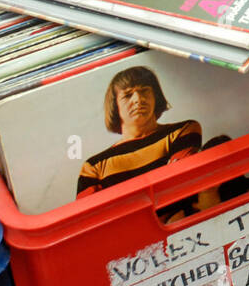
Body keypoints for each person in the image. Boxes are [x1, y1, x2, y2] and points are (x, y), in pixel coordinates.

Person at [76, 67, 201, 197]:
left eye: (144, 91)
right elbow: (93, 215)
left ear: (155, 97)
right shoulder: (93, 167)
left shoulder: (183, 131)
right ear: (115, 106)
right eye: (127, 95)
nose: (138, 99)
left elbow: (181, 185)